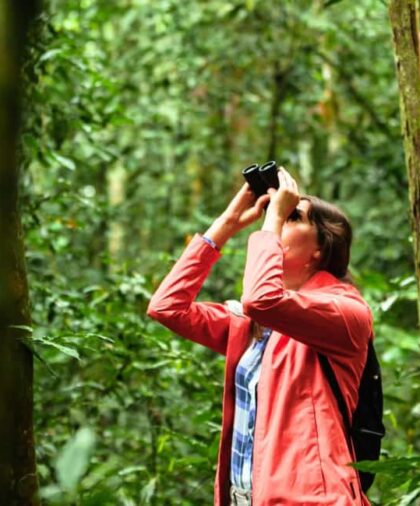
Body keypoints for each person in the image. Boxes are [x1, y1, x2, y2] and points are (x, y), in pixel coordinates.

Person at [146, 167, 373, 506]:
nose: (277, 220)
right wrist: (227, 223)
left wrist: (273, 218)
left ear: (321, 248)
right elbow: (167, 307)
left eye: (293, 217)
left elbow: (261, 299)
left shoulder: (345, 312)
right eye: (280, 214)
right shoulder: (255, 324)